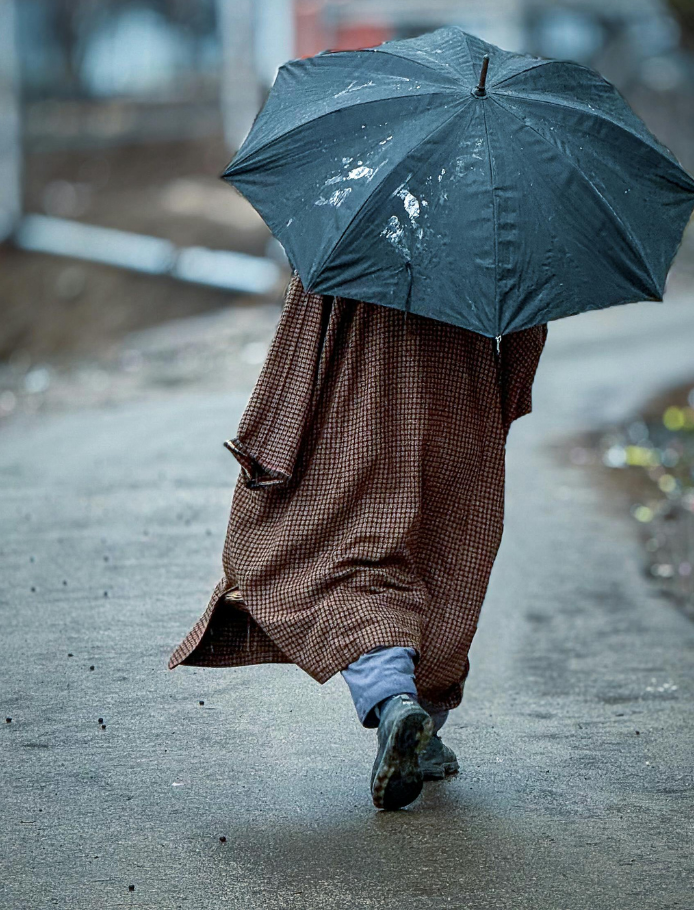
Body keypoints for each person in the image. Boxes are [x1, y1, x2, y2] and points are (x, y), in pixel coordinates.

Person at [169, 272, 547, 810]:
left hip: (359, 398)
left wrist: (273, 432)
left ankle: (395, 702)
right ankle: (422, 728)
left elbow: (301, 328)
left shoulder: (357, 204)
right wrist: (502, 397)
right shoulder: (498, 213)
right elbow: (529, 314)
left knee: (348, 559)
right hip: (459, 391)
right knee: (443, 561)